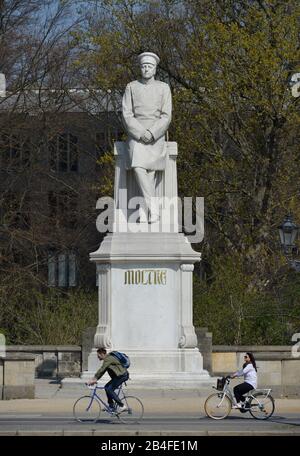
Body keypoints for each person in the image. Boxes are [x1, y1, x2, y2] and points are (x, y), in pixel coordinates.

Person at [122, 51, 172, 223]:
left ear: (155, 69)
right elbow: (127, 114)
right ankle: (154, 209)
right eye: (143, 66)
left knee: (150, 172)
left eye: (149, 66)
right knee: (138, 166)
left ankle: (144, 212)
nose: (146, 69)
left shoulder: (163, 88)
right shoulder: (131, 87)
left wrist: (152, 133)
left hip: (156, 136)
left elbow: (166, 115)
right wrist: (140, 132)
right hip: (136, 136)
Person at [88, 347, 129, 412]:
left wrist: (94, 379)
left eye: (98, 355)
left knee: (109, 389)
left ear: (102, 354)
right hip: (119, 376)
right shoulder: (107, 359)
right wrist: (95, 379)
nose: (98, 357)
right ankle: (111, 406)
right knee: (106, 387)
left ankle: (122, 406)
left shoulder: (108, 358)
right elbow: (102, 371)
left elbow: (102, 369)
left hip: (122, 376)